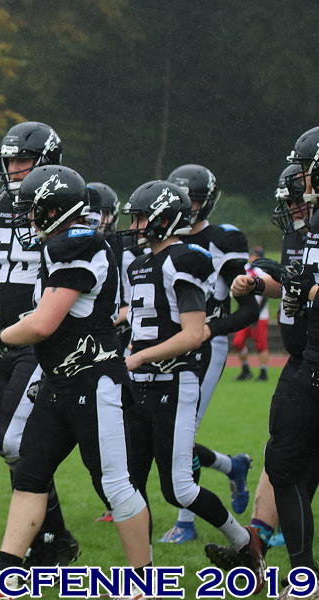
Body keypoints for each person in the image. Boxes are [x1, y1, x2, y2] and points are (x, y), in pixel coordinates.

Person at [0, 165, 152, 599]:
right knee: (30, 474)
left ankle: (144, 582)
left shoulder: (77, 244)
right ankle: (7, 575)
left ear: (54, 210)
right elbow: (46, 319)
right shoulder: (62, 244)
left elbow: (43, 323)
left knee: (116, 484)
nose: (27, 219)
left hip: (94, 382)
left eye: (34, 210)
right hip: (61, 381)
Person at [117, 180, 265, 590]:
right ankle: (141, 575)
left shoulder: (186, 259)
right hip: (140, 384)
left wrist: (140, 356)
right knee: (130, 484)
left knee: (179, 488)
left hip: (173, 381)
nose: (136, 224)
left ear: (165, 219)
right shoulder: (138, 264)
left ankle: (244, 545)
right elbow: (139, 324)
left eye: (142, 216)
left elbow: (193, 333)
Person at [222, 126, 319, 599]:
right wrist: (263, 285)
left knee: (286, 466)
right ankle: (303, 574)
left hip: (313, 362)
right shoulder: (308, 227)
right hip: (304, 360)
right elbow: (299, 282)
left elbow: (310, 286)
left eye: (305, 171)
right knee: (291, 468)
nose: (301, 183)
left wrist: (309, 291)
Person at [0, 121, 80, 565]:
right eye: (11, 160)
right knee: (15, 446)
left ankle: (53, 538)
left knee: (12, 441)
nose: (15, 168)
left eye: (24, 160)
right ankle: (51, 537)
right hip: (6, 336)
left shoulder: (69, 205)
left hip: (43, 339)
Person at [158, 164, 257, 543]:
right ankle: (232, 466)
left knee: (182, 433)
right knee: (159, 429)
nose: (187, 207)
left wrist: (207, 330)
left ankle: (186, 521)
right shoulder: (160, 238)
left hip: (205, 343)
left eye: (193, 200)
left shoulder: (224, 239)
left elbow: (247, 307)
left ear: (207, 201)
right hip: (165, 342)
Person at [233, 248, 270, 381]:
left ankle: (263, 372)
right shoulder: (246, 268)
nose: (252, 257)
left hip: (260, 315)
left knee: (261, 345)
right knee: (238, 342)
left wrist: (256, 312)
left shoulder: (261, 271)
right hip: (245, 313)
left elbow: (266, 294)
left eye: (255, 256)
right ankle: (246, 369)